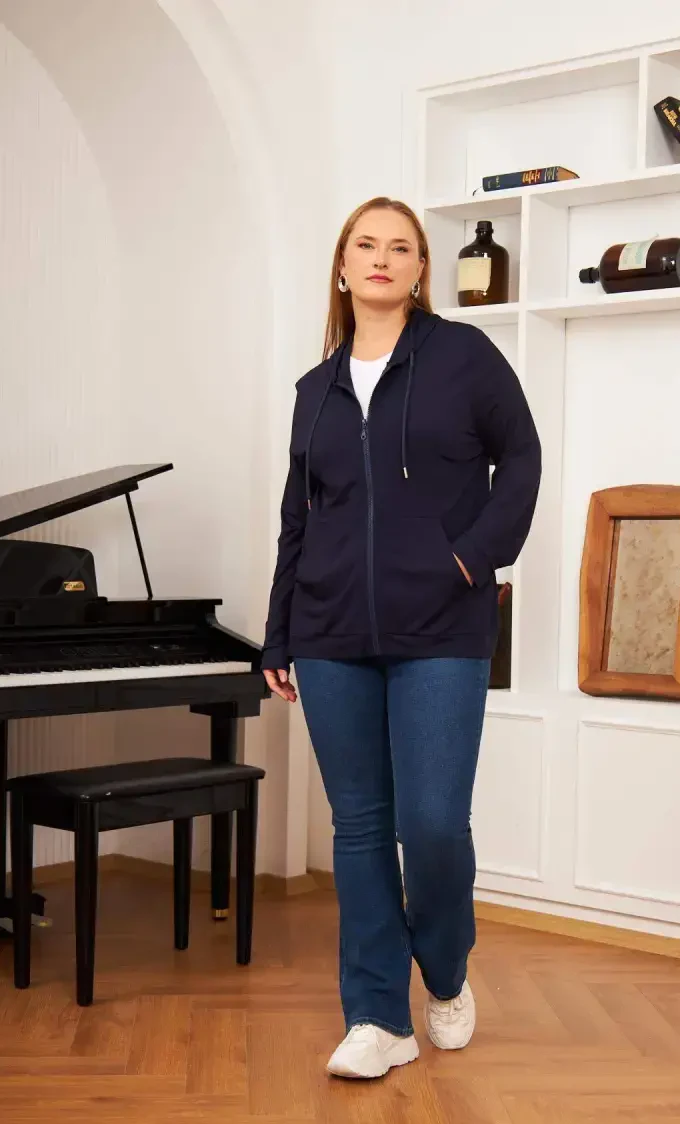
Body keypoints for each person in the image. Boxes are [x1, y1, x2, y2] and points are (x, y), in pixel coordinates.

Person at [261, 196, 541, 1079]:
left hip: (443, 625)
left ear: (421, 269)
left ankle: (446, 971)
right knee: (359, 827)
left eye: (401, 247)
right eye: (365, 245)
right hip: (329, 629)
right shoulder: (315, 392)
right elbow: (298, 520)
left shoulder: (464, 357)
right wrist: (278, 634)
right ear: (344, 267)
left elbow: (523, 457)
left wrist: (470, 560)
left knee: (432, 824)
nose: (381, 258)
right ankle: (377, 1017)